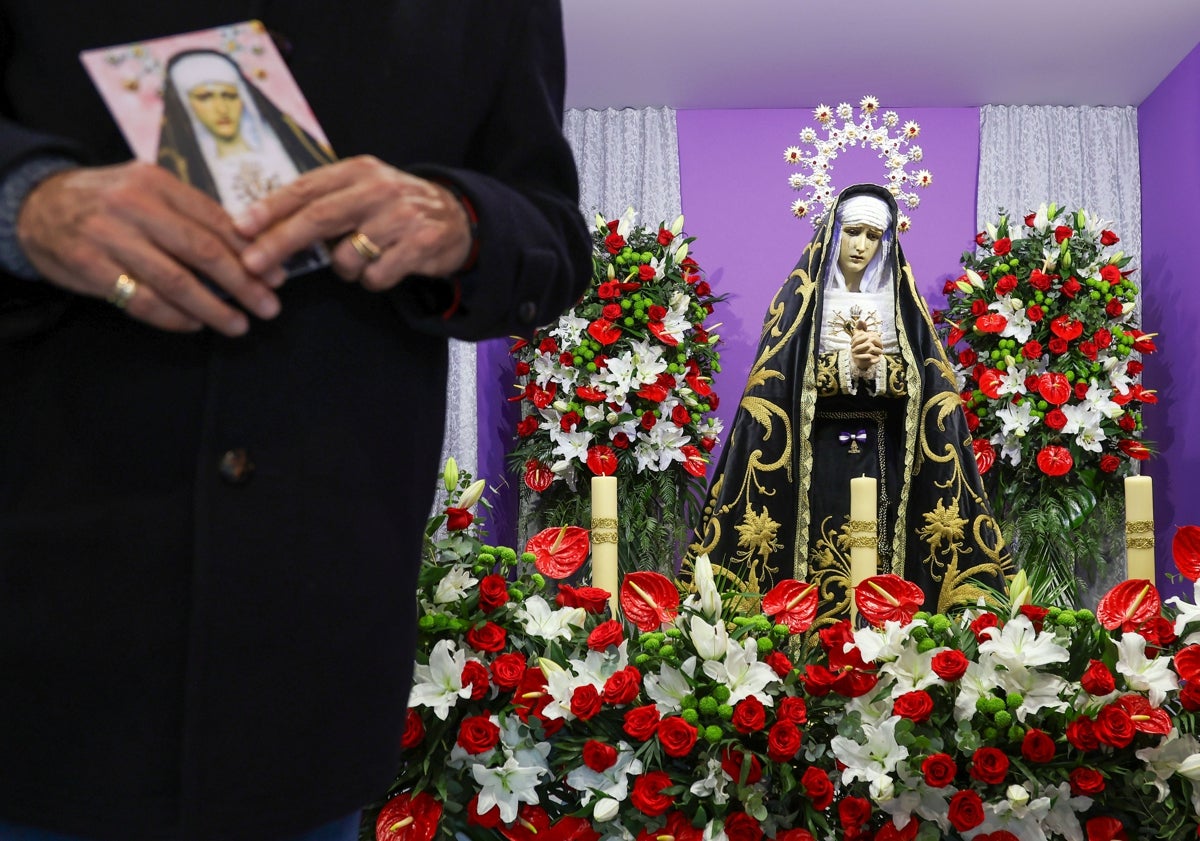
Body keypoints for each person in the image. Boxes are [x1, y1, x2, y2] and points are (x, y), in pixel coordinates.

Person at [0, 4, 590, 841]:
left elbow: (554, 235)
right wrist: (28, 205)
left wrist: (458, 219)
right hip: (39, 622)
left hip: (314, 657)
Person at [687, 184, 1009, 628]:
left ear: (887, 241)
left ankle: (883, 647)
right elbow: (776, 382)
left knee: (881, 559)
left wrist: (881, 370)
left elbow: (929, 387)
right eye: (853, 231)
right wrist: (844, 364)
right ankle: (809, 648)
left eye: (873, 236)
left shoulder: (899, 304)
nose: (861, 246)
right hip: (811, 455)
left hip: (886, 452)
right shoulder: (801, 301)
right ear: (833, 232)